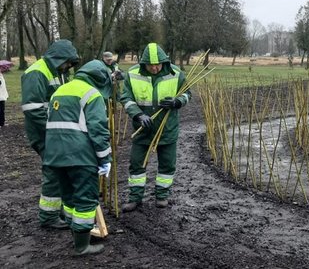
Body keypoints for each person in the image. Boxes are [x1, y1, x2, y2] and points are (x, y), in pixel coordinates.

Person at [43, 60, 112, 255]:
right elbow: (98, 129)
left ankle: (76, 233)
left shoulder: (60, 91)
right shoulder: (92, 94)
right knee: (85, 198)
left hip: (55, 155)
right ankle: (82, 245)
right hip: (80, 157)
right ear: (101, 80)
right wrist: (104, 159)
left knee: (69, 196)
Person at [120, 43, 191, 212]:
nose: (154, 68)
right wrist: (138, 114)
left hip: (167, 128)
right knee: (136, 164)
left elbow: (188, 93)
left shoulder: (175, 73)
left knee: (167, 164)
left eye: (158, 64)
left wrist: (177, 102)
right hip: (142, 128)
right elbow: (126, 98)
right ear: (143, 63)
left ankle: (162, 195)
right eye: (150, 65)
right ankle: (135, 198)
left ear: (164, 61)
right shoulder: (132, 74)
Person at [21, 39, 80, 229]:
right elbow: (32, 109)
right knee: (54, 170)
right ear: (59, 58)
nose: (69, 66)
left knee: (61, 169)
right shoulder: (37, 72)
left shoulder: (59, 71)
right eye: (68, 62)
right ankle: (48, 216)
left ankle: (57, 209)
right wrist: (54, 129)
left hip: (56, 131)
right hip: (44, 132)